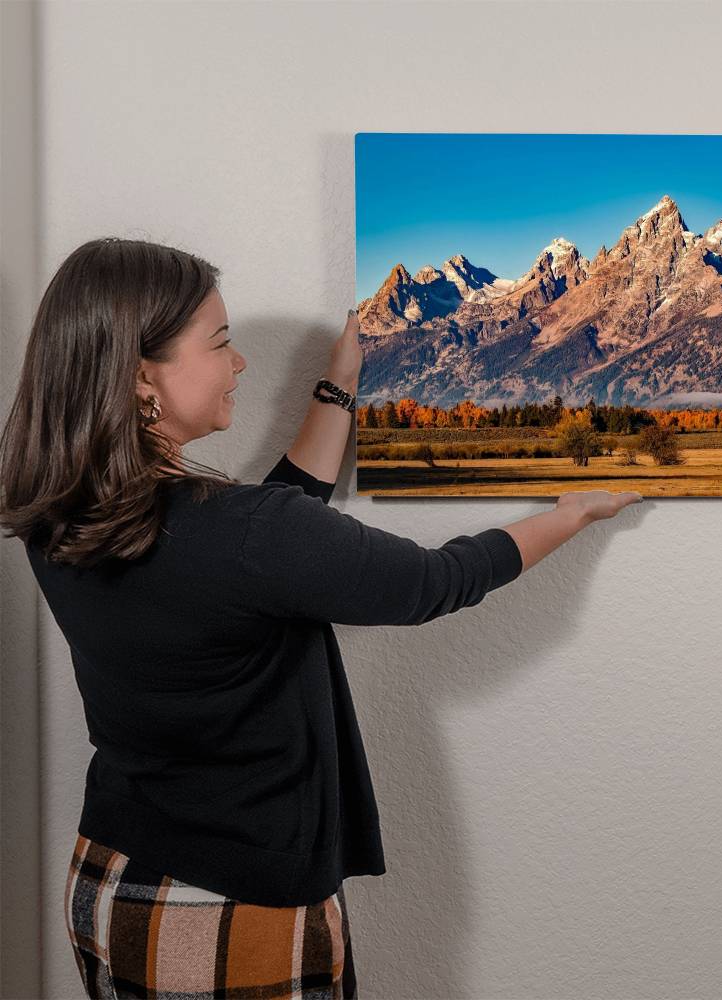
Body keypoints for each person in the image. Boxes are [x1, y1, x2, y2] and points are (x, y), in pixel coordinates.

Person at [0, 237, 642, 999]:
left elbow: (264, 545)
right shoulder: (239, 534)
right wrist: (567, 516)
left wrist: (339, 387)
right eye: (222, 343)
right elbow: (429, 583)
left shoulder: (61, 515)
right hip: (228, 909)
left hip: (110, 875)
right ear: (143, 376)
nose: (238, 364)